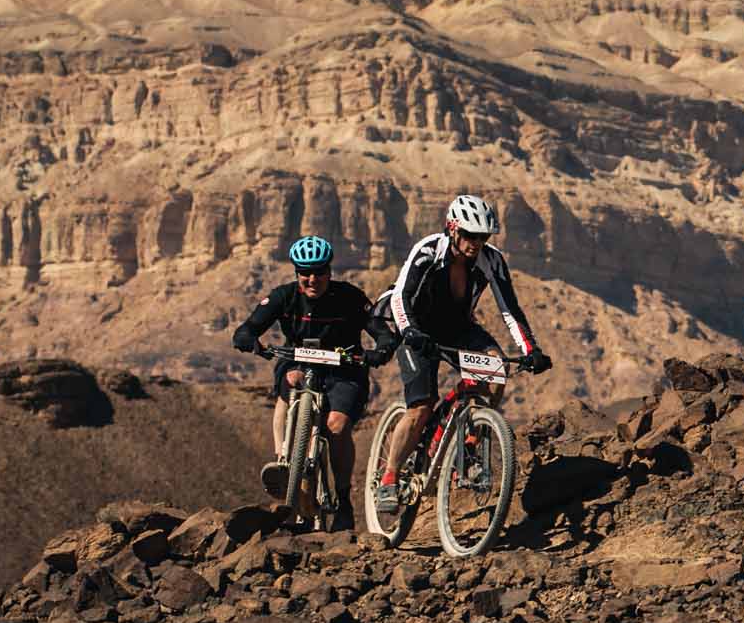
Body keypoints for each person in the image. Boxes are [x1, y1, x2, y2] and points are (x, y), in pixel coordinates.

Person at [373, 193, 550, 518]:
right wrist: (410, 332)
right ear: (453, 230)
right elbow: (401, 297)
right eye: (470, 235)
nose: (476, 243)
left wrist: (531, 350)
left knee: (496, 370)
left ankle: (471, 443)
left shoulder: (491, 260)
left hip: (457, 328)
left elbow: (509, 308)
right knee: (420, 409)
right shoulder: (427, 251)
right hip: (417, 326)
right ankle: (390, 476)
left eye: (482, 237)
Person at [232, 236, 396, 526]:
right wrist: (249, 340)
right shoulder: (283, 296)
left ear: (329, 271)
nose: (312, 278)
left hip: (344, 370)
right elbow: (248, 328)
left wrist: (381, 349)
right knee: (292, 379)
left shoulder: (350, 297)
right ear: (296, 273)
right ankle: (283, 460)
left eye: (319, 271)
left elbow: (380, 331)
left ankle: (343, 499)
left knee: (337, 426)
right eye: (305, 272)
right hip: (298, 362)